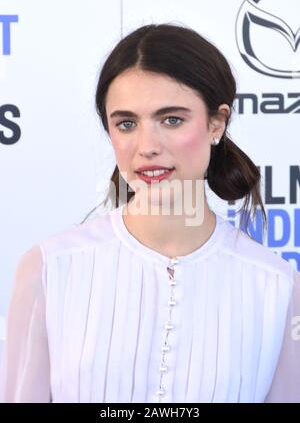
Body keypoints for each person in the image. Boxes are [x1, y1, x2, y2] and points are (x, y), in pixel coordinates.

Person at [0, 23, 299, 403]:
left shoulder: (276, 286)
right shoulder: (50, 269)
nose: (147, 146)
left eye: (172, 119)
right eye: (127, 124)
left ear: (216, 124)